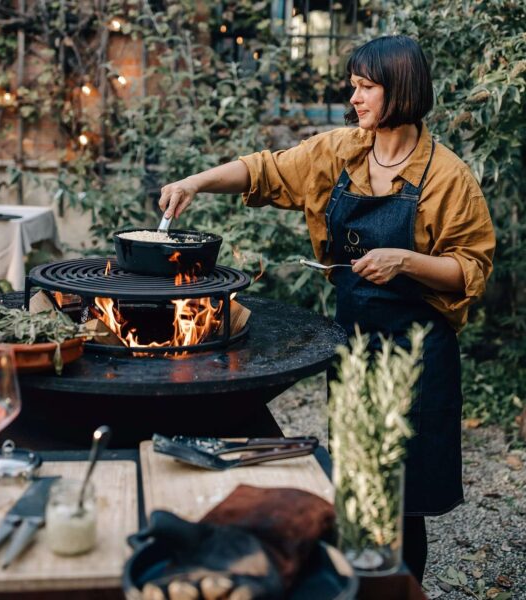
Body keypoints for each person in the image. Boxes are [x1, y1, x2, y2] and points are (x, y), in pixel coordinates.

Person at [158, 35, 495, 583]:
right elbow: (264, 170)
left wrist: (406, 261)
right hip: (354, 344)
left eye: (366, 87)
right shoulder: (342, 150)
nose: (354, 98)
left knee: (403, 494)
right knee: (358, 475)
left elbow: (471, 269)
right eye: (354, 86)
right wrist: (195, 183)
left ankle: (399, 588)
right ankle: (357, 581)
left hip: (417, 357)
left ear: (401, 90)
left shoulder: (446, 176)